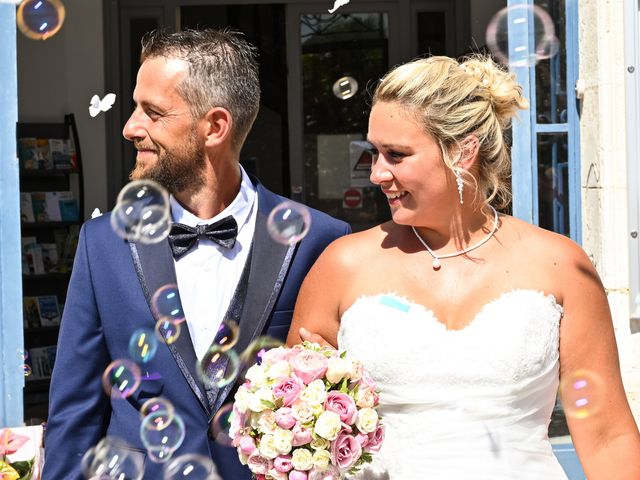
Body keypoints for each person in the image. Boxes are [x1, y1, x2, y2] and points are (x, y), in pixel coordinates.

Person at [287, 55, 640, 479]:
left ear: (462, 151)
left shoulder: (560, 265)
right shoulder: (343, 265)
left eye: (396, 155)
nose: (377, 173)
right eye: (375, 152)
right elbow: (294, 436)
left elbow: (606, 436)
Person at [42, 28, 350, 480]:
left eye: (153, 112)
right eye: (133, 108)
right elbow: (75, 412)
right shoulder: (102, 243)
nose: (130, 128)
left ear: (215, 127)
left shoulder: (319, 241)